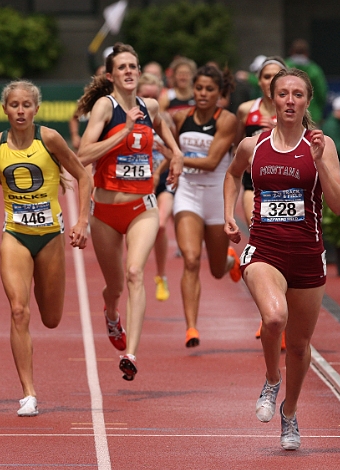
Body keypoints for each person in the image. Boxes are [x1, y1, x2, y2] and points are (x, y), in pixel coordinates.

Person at [224, 68, 340, 450]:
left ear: (308, 101)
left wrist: (320, 161)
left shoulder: (323, 143)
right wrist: (229, 213)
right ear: (273, 100)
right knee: (274, 317)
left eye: (297, 94)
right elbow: (232, 175)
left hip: (308, 254)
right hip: (265, 250)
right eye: (283, 94)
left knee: (299, 344)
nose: (290, 100)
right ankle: (271, 379)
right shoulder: (254, 144)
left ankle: (289, 413)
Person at [0, 80, 92, 416]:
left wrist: (81, 222)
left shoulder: (49, 139)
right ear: (4, 109)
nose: (20, 111)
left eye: (26, 106)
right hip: (15, 235)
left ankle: (30, 387)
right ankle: (28, 394)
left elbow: (83, 176)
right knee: (19, 310)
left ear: (36, 109)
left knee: (50, 318)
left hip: (49, 236)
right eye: (14, 105)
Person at [76, 42, 183, 381]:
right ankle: (110, 313)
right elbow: (82, 155)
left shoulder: (150, 105)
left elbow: (165, 129)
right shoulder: (105, 109)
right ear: (110, 76)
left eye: (133, 66)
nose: (129, 72)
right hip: (105, 211)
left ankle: (131, 353)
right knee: (115, 285)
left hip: (142, 208)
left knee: (136, 271)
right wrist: (122, 133)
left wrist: (176, 154)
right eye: (122, 67)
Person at [172, 64, 240, 348]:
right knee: (189, 259)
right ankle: (191, 328)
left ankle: (229, 260)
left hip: (215, 196)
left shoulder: (227, 121)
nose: (202, 94)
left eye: (209, 89)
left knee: (214, 269)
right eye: (198, 88)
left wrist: (178, 158)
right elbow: (171, 149)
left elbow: (212, 162)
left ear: (219, 93)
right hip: (187, 194)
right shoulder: (179, 117)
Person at [234, 56, 287, 344]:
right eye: (266, 76)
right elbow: (235, 148)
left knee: (284, 249)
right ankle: (267, 315)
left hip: (282, 190)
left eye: (277, 75)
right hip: (253, 185)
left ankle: (277, 312)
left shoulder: (292, 111)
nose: (270, 81)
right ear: (259, 80)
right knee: (261, 242)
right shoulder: (246, 110)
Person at [137, 72, 176, 301]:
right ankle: (136, 273)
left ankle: (161, 275)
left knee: (160, 225)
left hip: (161, 181)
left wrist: (159, 171)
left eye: (153, 96)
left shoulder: (166, 121)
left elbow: (175, 154)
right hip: (137, 181)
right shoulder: (129, 121)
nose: (149, 101)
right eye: (144, 96)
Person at [285, 39, 328, 126]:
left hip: (288, 114)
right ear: (307, 54)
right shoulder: (315, 70)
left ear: (291, 52)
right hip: (312, 116)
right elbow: (322, 94)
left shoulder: (284, 66)